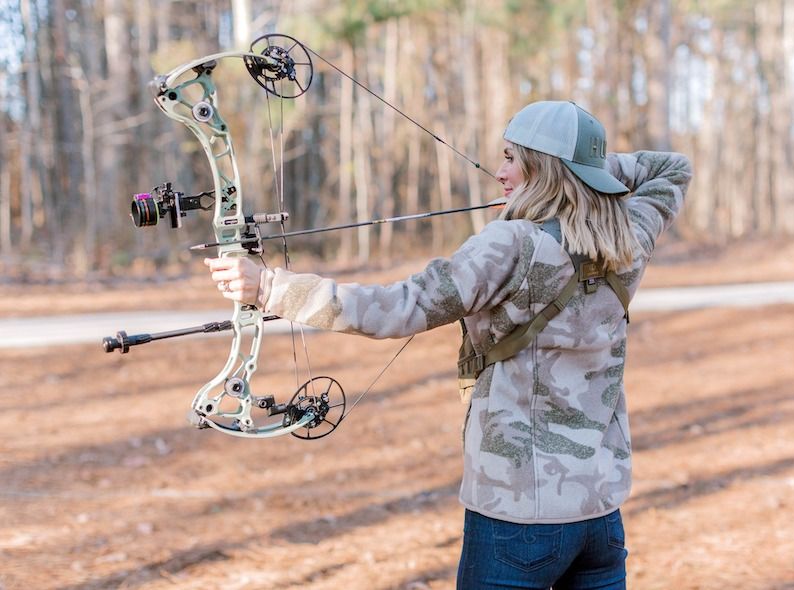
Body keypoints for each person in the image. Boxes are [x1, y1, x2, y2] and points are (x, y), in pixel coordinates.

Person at [206, 100, 692, 589]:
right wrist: (585, 169)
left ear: (541, 168)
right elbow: (673, 167)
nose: (500, 172)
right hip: (600, 515)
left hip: (515, 513)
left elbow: (396, 307)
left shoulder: (509, 245)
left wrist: (269, 288)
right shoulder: (629, 236)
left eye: (512, 158)